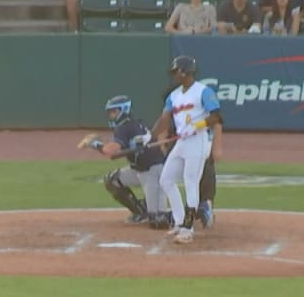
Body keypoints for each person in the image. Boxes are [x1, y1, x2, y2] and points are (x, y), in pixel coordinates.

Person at [152, 56, 223, 245]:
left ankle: (188, 228)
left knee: (190, 182)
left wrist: (198, 124)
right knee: (166, 180)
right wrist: (149, 136)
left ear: (185, 72)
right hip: (182, 142)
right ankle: (179, 221)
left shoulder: (203, 92)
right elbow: (164, 119)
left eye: (176, 72)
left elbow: (216, 117)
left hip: (197, 141)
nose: (174, 75)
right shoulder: (174, 96)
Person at [78, 96, 171, 229]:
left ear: (124, 110)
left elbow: (110, 150)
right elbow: (115, 150)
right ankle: (141, 212)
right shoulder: (131, 124)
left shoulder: (125, 127)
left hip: (153, 172)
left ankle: (190, 215)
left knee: (158, 221)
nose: (111, 115)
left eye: (114, 112)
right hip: (139, 170)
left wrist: (93, 143)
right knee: (112, 180)